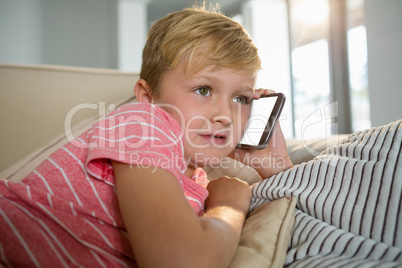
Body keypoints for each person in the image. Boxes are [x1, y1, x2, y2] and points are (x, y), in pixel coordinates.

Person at [0, 8, 293, 267]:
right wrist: (228, 206)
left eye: (241, 98)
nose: (226, 115)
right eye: (203, 90)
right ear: (148, 97)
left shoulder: (196, 178)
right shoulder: (144, 123)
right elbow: (182, 261)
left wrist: (273, 164)